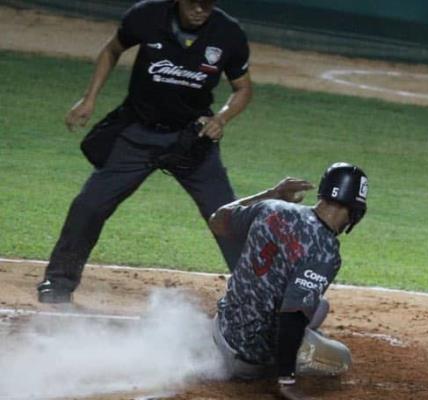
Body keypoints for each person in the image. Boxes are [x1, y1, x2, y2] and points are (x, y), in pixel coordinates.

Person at [37, 0, 253, 303]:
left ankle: (257, 296)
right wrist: (89, 99)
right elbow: (112, 50)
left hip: (192, 139)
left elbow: (243, 88)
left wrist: (222, 118)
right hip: (137, 134)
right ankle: (58, 283)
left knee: (228, 217)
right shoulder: (147, 16)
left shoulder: (228, 33)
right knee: (89, 206)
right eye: (194, 3)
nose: (200, 10)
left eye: (208, 4)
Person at [208, 163, 368, 398]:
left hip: (221, 326)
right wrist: (287, 380)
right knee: (341, 358)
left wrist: (271, 193)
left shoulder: (272, 207)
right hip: (246, 360)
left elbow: (217, 220)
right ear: (355, 211)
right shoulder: (326, 251)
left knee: (321, 305)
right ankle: (281, 365)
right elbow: (291, 317)